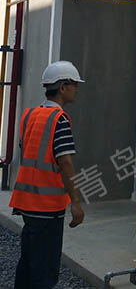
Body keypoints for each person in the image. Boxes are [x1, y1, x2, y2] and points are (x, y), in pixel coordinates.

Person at [10, 60, 86, 289]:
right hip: (47, 206)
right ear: (62, 87)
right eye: (74, 84)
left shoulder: (29, 115)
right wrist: (75, 202)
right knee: (44, 270)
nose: (76, 89)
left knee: (28, 264)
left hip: (27, 202)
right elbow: (65, 162)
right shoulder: (59, 119)